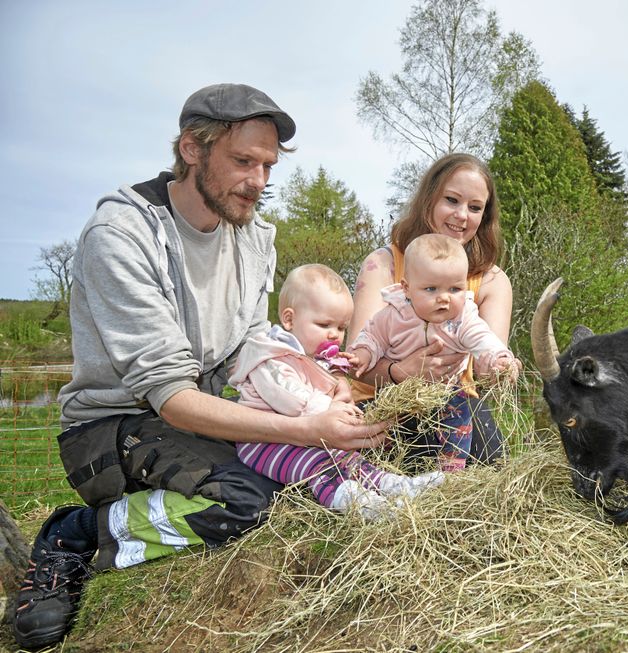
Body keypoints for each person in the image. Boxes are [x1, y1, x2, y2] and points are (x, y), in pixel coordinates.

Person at [12, 84, 387, 651]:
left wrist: (316, 384)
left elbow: (251, 344)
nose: (258, 182)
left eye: (267, 165)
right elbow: (170, 396)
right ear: (192, 148)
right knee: (247, 501)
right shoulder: (123, 235)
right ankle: (74, 536)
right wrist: (306, 427)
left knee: (303, 474)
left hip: (206, 416)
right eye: (242, 161)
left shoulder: (254, 235)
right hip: (116, 424)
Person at [231, 264, 443, 519]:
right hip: (263, 442)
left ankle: (393, 485)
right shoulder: (271, 356)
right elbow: (291, 400)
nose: (334, 335)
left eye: (342, 328)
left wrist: (339, 380)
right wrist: (331, 407)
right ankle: (358, 504)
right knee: (319, 465)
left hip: (302, 434)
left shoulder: (312, 356)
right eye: (324, 324)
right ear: (289, 319)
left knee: (348, 457)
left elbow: (323, 387)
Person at [349, 153, 513, 466]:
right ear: (428, 201)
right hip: (382, 399)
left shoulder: (492, 281)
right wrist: (401, 373)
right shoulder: (384, 264)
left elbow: (485, 367)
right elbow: (356, 362)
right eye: (451, 200)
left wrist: (499, 367)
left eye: (475, 207)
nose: (462, 216)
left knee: (488, 454)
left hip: (454, 405)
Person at [350, 234, 520, 471]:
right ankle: (381, 466)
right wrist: (363, 354)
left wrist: (499, 358)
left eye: (455, 288)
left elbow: (484, 339)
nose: (444, 298)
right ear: (407, 289)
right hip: (395, 392)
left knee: (459, 423)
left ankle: (451, 471)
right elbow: (372, 337)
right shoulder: (393, 315)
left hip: (447, 391)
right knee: (383, 427)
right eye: (431, 289)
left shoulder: (463, 318)